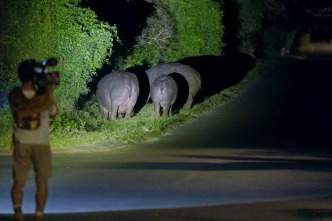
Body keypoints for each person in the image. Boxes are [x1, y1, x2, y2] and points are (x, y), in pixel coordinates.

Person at [9, 58, 59, 221]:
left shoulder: (14, 95)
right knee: (41, 182)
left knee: (19, 182)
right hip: (41, 144)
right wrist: (50, 88)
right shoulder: (44, 98)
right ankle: (38, 216)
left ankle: (18, 213)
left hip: (22, 143)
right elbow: (54, 112)